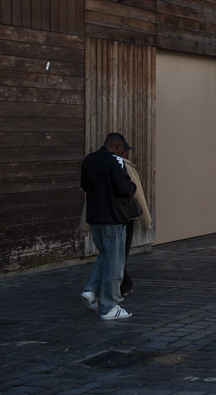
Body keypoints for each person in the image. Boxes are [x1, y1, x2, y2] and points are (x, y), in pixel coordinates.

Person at [80, 132, 137, 320]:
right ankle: (109, 306)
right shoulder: (115, 161)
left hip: (95, 217)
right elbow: (124, 187)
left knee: (104, 255)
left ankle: (90, 291)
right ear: (118, 148)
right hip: (113, 217)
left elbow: (85, 186)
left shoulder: (89, 160)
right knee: (115, 262)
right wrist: (132, 187)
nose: (124, 154)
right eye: (124, 150)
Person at [118, 146, 153, 297]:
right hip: (123, 217)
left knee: (111, 256)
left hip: (102, 217)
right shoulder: (125, 166)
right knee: (119, 255)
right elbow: (138, 194)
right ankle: (116, 288)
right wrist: (146, 221)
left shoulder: (97, 164)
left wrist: (85, 226)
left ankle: (123, 285)